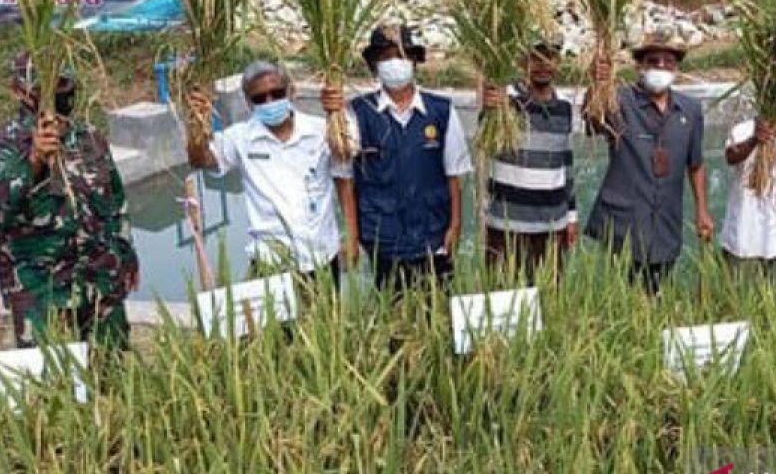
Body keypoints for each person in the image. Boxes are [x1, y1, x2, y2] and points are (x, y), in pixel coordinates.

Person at [0, 53, 140, 348]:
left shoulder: (90, 138)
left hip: (101, 281)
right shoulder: (1, 144)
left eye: (63, 85)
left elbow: (116, 202)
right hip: (41, 290)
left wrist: (127, 254)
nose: (58, 95)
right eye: (46, 88)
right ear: (19, 91)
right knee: (53, 383)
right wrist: (35, 160)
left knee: (112, 375)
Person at [322, 25, 472, 293]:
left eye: (401, 56)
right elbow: (345, 180)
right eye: (386, 57)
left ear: (414, 62)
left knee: (437, 309)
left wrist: (455, 225)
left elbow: (454, 175)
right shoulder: (356, 113)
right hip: (383, 236)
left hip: (433, 233)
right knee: (390, 309)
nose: (394, 64)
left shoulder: (442, 111)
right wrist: (353, 235)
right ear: (374, 66)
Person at [186, 61, 343, 287]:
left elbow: (347, 161)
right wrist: (195, 125)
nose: (270, 101)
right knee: (275, 323)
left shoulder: (320, 131)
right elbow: (200, 160)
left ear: (291, 91)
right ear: (249, 104)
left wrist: (338, 110)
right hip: (270, 261)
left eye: (276, 93)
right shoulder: (241, 138)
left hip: (322, 254)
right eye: (260, 98)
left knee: (328, 320)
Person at [584, 29, 714, 293]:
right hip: (624, 224)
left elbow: (696, 164)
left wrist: (702, 210)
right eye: (654, 61)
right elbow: (593, 121)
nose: (662, 67)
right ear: (640, 66)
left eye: (669, 62)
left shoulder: (689, 110)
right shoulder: (620, 100)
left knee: (658, 293)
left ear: (677, 68)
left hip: (665, 223)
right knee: (621, 295)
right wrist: (596, 84)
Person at [479, 38, 578, 282]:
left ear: (558, 62)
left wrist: (571, 217)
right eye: (536, 58)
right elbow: (486, 136)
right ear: (523, 61)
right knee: (503, 300)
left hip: (553, 225)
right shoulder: (505, 100)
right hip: (506, 224)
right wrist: (491, 108)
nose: (543, 65)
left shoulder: (564, 106)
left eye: (550, 57)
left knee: (550, 299)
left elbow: (566, 163)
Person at [720, 95, 776, 285]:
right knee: (738, 300)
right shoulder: (743, 131)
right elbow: (730, 157)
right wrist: (754, 140)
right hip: (744, 238)